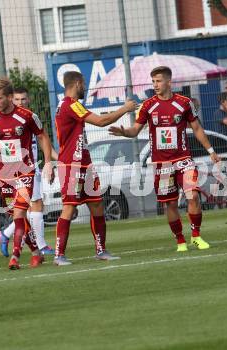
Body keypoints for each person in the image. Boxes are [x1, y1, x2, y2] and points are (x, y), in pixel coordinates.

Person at [109, 66, 220, 252]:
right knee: (171, 203)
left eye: (158, 81)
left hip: (183, 159)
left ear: (169, 81)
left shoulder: (184, 103)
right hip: (162, 164)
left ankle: (196, 236)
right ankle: (180, 241)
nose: (155, 85)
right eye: (153, 81)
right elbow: (135, 130)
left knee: (193, 196)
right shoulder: (147, 105)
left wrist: (211, 150)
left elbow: (197, 129)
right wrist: (123, 132)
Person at [53, 71, 137, 266]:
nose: (85, 88)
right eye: (83, 84)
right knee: (69, 207)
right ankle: (59, 255)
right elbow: (100, 121)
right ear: (77, 83)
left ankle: (101, 250)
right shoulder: (69, 104)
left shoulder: (72, 106)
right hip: (72, 165)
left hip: (84, 163)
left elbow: (99, 119)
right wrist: (125, 108)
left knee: (97, 204)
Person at [0, 78, 54, 270]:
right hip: (4, 176)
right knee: (19, 218)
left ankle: (15, 257)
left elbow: (43, 136)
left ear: (9, 97)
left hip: (25, 173)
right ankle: (36, 253)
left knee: (19, 214)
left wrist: (49, 162)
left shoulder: (27, 116)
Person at [0, 87, 56, 257]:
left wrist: (54, 160)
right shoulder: (8, 121)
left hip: (32, 168)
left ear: (28, 100)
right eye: (17, 100)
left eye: (23, 99)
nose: (20, 103)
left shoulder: (30, 118)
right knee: (34, 205)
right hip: (21, 170)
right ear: (11, 101)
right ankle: (41, 245)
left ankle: (6, 234)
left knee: (30, 208)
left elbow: (44, 142)